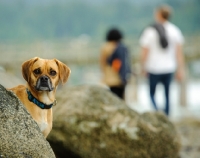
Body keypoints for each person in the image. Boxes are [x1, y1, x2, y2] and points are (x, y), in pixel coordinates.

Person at [139, 4, 185, 115]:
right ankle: (167, 116)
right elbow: (179, 53)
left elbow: (145, 52)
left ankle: (157, 112)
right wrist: (180, 69)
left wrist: (142, 66)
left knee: (151, 93)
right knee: (167, 95)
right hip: (169, 67)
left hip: (153, 67)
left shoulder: (149, 31)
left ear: (159, 14)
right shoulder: (175, 30)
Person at [100, 28, 131, 99]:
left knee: (114, 97)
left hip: (111, 77)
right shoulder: (122, 47)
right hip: (122, 76)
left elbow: (103, 62)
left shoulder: (106, 47)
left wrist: (103, 75)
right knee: (121, 97)